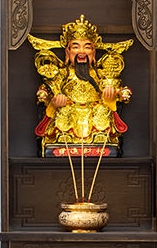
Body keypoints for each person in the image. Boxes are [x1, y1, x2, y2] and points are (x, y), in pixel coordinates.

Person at [29, 15, 133, 156]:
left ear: (93, 53)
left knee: (102, 110)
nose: (82, 52)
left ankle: (99, 138)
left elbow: (121, 91)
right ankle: (64, 138)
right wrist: (53, 102)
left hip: (94, 115)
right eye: (76, 47)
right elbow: (45, 91)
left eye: (87, 47)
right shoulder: (60, 74)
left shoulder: (100, 74)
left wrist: (115, 97)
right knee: (63, 112)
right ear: (67, 52)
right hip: (69, 114)